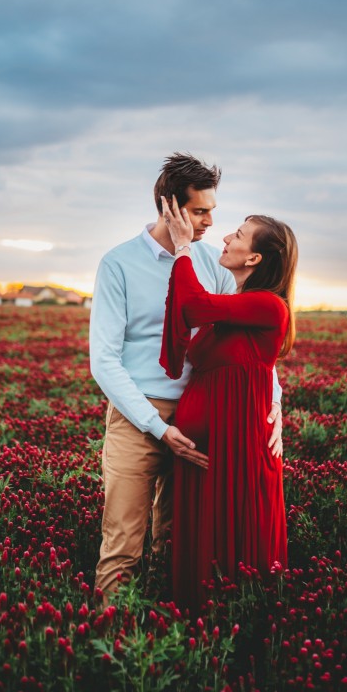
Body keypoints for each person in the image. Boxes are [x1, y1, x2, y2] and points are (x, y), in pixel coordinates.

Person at [89, 153, 284, 603]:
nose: (210, 222)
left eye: (213, 211)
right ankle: (109, 650)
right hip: (140, 419)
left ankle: (171, 641)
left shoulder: (210, 263)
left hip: (204, 423)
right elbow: (104, 361)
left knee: (178, 545)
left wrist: (273, 404)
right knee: (123, 544)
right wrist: (158, 428)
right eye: (200, 211)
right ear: (168, 207)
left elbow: (248, 346)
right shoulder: (118, 263)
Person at [159, 195, 298, 614]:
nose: (224, 236)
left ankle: (240, 636)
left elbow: (193, 306)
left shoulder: (268, 305)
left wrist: (183, 246)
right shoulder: (236, 308)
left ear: (253, 257)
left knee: (236, 543)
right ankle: (201, 637)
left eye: (236, 235)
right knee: (204, 542)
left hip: (236, 449)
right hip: (206, 449)